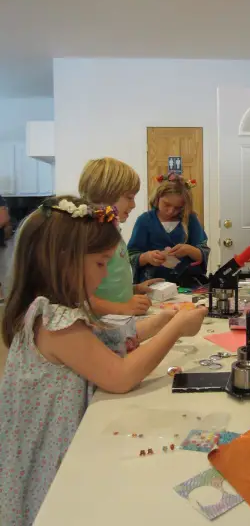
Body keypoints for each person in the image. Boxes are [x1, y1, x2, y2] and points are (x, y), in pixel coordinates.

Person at [0, 196, 207, 525]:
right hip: (53, 458)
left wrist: (164, 320)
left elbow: (112, 342)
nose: (104, 276)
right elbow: (119, 376)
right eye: (100, 264)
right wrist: (178, 329)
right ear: (65, 260)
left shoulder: (57, 310)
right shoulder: (55, 322)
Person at [79, 158, 158, 318]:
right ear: (106, 194)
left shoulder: (110, 229)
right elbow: (79, 298)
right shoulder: (91, 235)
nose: (134, 205)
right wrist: (122, 307)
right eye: (129, 197)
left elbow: (107, 282)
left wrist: (133, 289)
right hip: (99, 328)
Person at [128, 173, 210, 286]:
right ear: (157, 198)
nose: (171, 211)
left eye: (178, 208)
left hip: (188, 285)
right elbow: (131, 255)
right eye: (166, 205)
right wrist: (147, 257)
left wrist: (189, 250)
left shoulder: (190, 220)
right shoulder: (145, 221)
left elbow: (203, 253)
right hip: (153, 286)